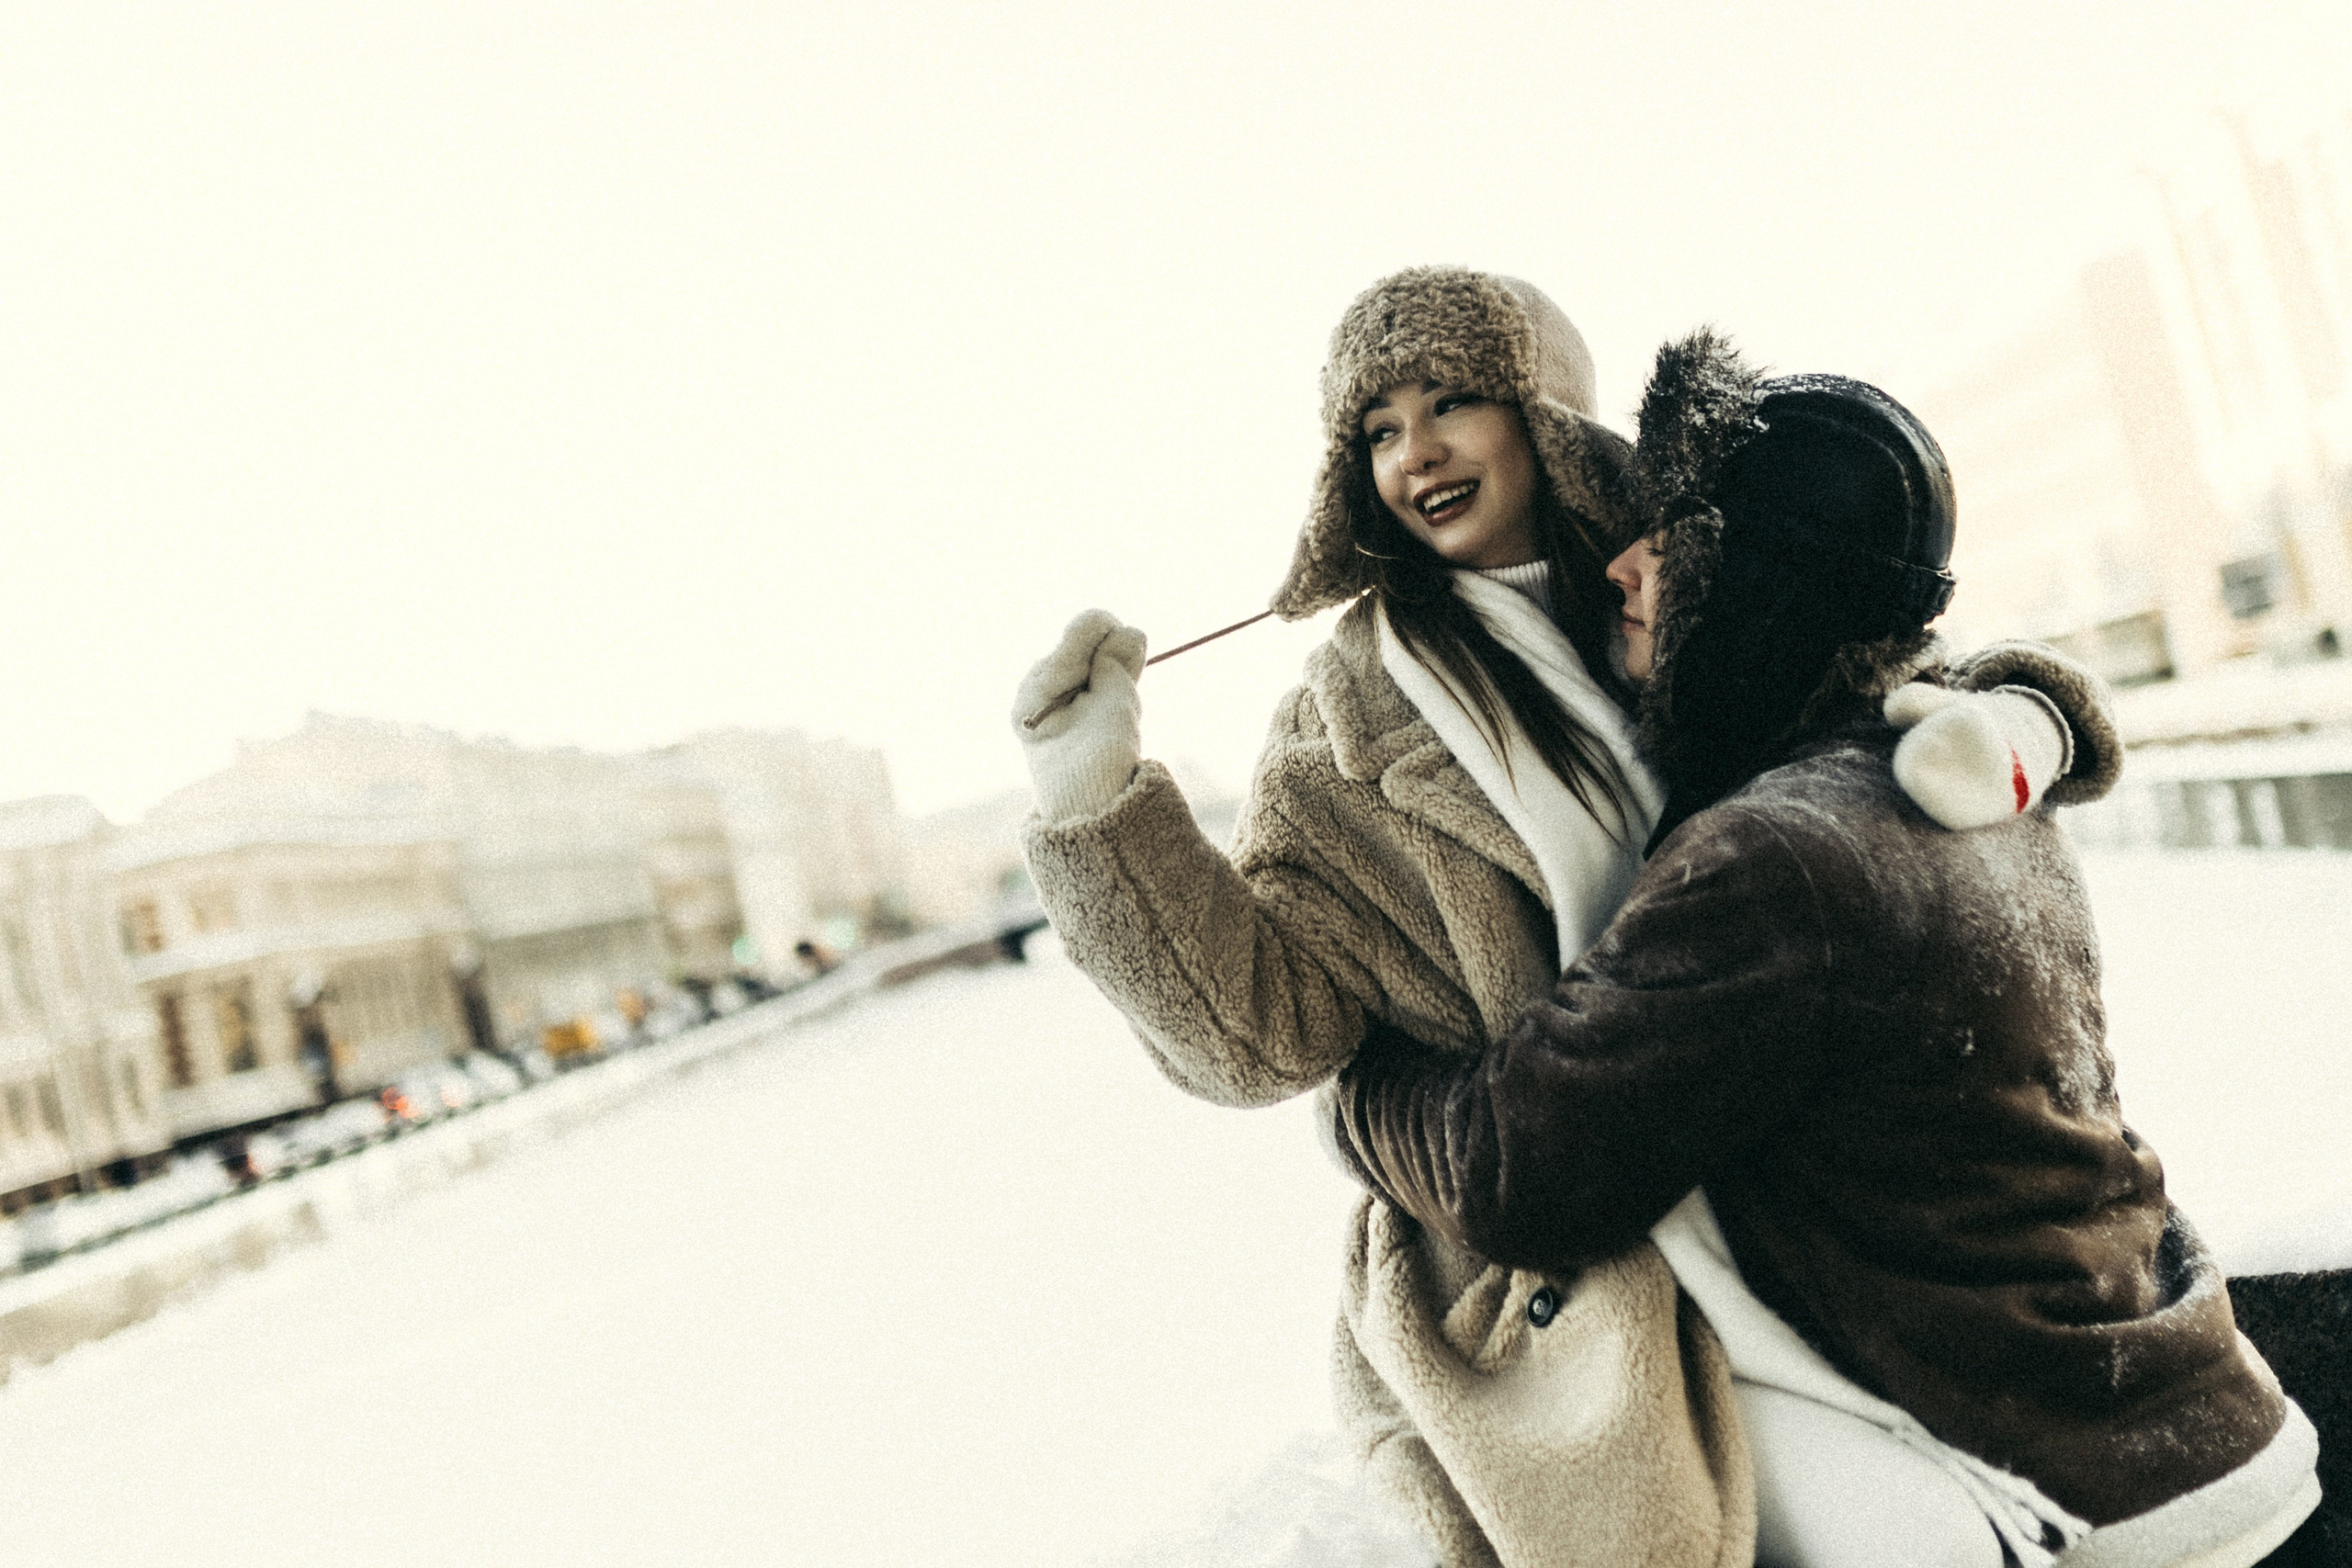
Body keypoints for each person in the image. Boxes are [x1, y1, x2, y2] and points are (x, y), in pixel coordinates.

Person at [1014, 266, 2117, 1567]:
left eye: (1452, 401)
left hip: (1790, 1199)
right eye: (1375, 430)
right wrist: (1096, 800)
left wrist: (2028, 711)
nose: (1414, 453)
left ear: (1544, 408)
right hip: (1547, 1252)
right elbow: (1260, 1038)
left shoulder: (1676, 583)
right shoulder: (1343, 720)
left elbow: (1876, 667)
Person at [1325, 333, 2322, 1566]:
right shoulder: (1949, 771)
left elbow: (1517, 1175)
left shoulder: (1776, 860)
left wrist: (1355, 1081)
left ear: (1764, 586)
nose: (1623, 568)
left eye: (1675, 536)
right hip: (2211, 1424)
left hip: (2076, 1503)